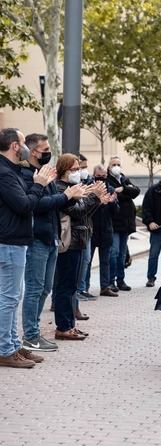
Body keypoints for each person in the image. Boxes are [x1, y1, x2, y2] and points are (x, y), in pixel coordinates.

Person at [21, 134, 86, 353]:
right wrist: (67, 196)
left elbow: (51, 206)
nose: (48, 152)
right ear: (33, 151)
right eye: (45, 149)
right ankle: (30, 335)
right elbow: (37, 204)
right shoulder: (26, 174)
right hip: (36, 239)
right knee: (34, 288)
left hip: (51, 238)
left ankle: (34, 333)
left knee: (45, 288)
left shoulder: (45, 173)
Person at [0, 128, 55, 368]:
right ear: (14, 145)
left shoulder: (10, 171)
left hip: (15, 241)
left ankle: (12, 346)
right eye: (23, 142)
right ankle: (5, 349)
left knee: (13, 297)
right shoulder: (5, 173)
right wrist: (39, 185)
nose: (24, 148)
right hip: (9, 241)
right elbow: (24, 205)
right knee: (9, 299)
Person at [52, 154, 109, 341]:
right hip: (69, 242)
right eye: (74, 169)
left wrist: (97, 199)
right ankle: (63, 326)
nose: (78, 172)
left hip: (79, 240)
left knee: (72, 286)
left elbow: (85, 214)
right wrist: (94, 196)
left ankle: (70, 325)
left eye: (79, 168)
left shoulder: (72, 187)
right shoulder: (61, 189)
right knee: (65, 286)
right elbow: (78, 211)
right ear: (63, 170)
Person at [107, 156, 140, 292]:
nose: (116, 166)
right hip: (114, 223)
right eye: (113, 164)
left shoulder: (124, 179)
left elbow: (136, 191)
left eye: (118, 164)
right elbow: (112, 193)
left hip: (126, 224)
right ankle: (111, 281)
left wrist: (123, 189)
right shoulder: (107, 180)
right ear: (109, 167)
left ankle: (121, 280)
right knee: (113, 252)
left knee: (122, 254)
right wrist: (125, 192)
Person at [88, 165, 119, 297]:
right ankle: (84, 288)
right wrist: (97, 200)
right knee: (87, 261)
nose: (101, 178)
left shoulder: (110, 189)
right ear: (94, 175)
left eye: (104, 175)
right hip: (91, 230)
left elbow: (116, 212)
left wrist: (112, 203)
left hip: (106, 230)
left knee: (105, 261)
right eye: (99, 175)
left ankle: (105, 287)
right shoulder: (89, 188)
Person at [76, 154, 95, 301]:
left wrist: (98, 198)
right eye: (81, 168)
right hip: (74, 231)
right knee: (80, 261)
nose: (83, 171)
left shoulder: (88, 181)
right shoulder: (73, 184)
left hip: (86, 228)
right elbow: (77, 209)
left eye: (84, 168)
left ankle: (81, 289)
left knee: (86, 260)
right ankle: (77, 290)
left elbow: (89, 210)